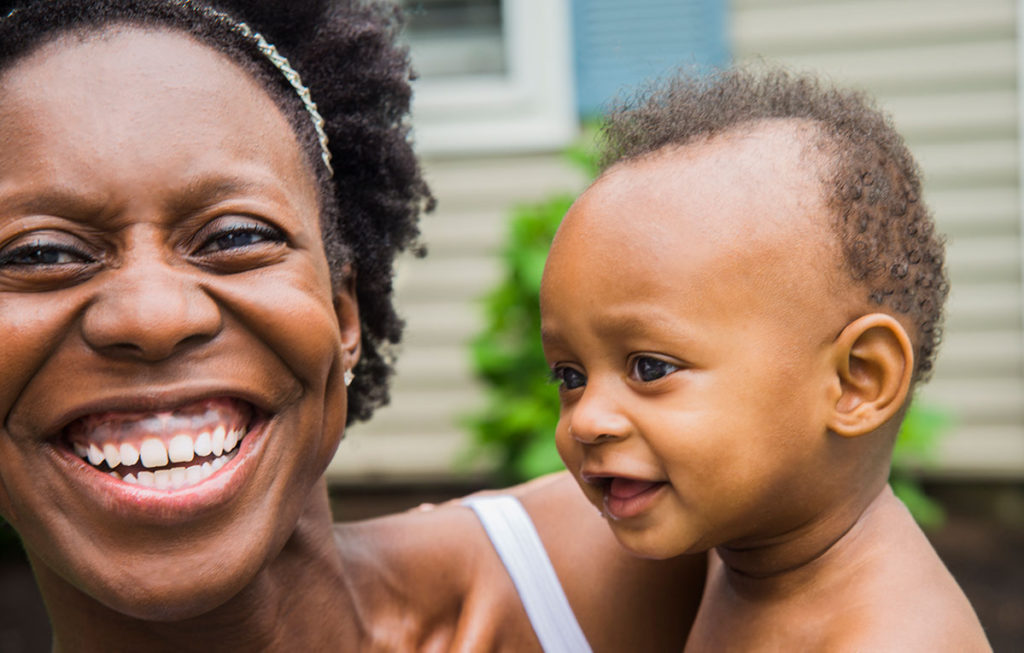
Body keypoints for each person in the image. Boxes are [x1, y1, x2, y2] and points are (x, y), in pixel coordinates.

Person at [0, 1, 705, 650]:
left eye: (235, 236)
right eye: (41, 253)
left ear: (345, 314)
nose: (153, 317)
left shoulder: (652, 571)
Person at [539, 67, 991, 651]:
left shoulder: (888, 637)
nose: (587, 419)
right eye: (570, 376)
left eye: (650, 368)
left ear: (859, 381)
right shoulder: (737, 553)